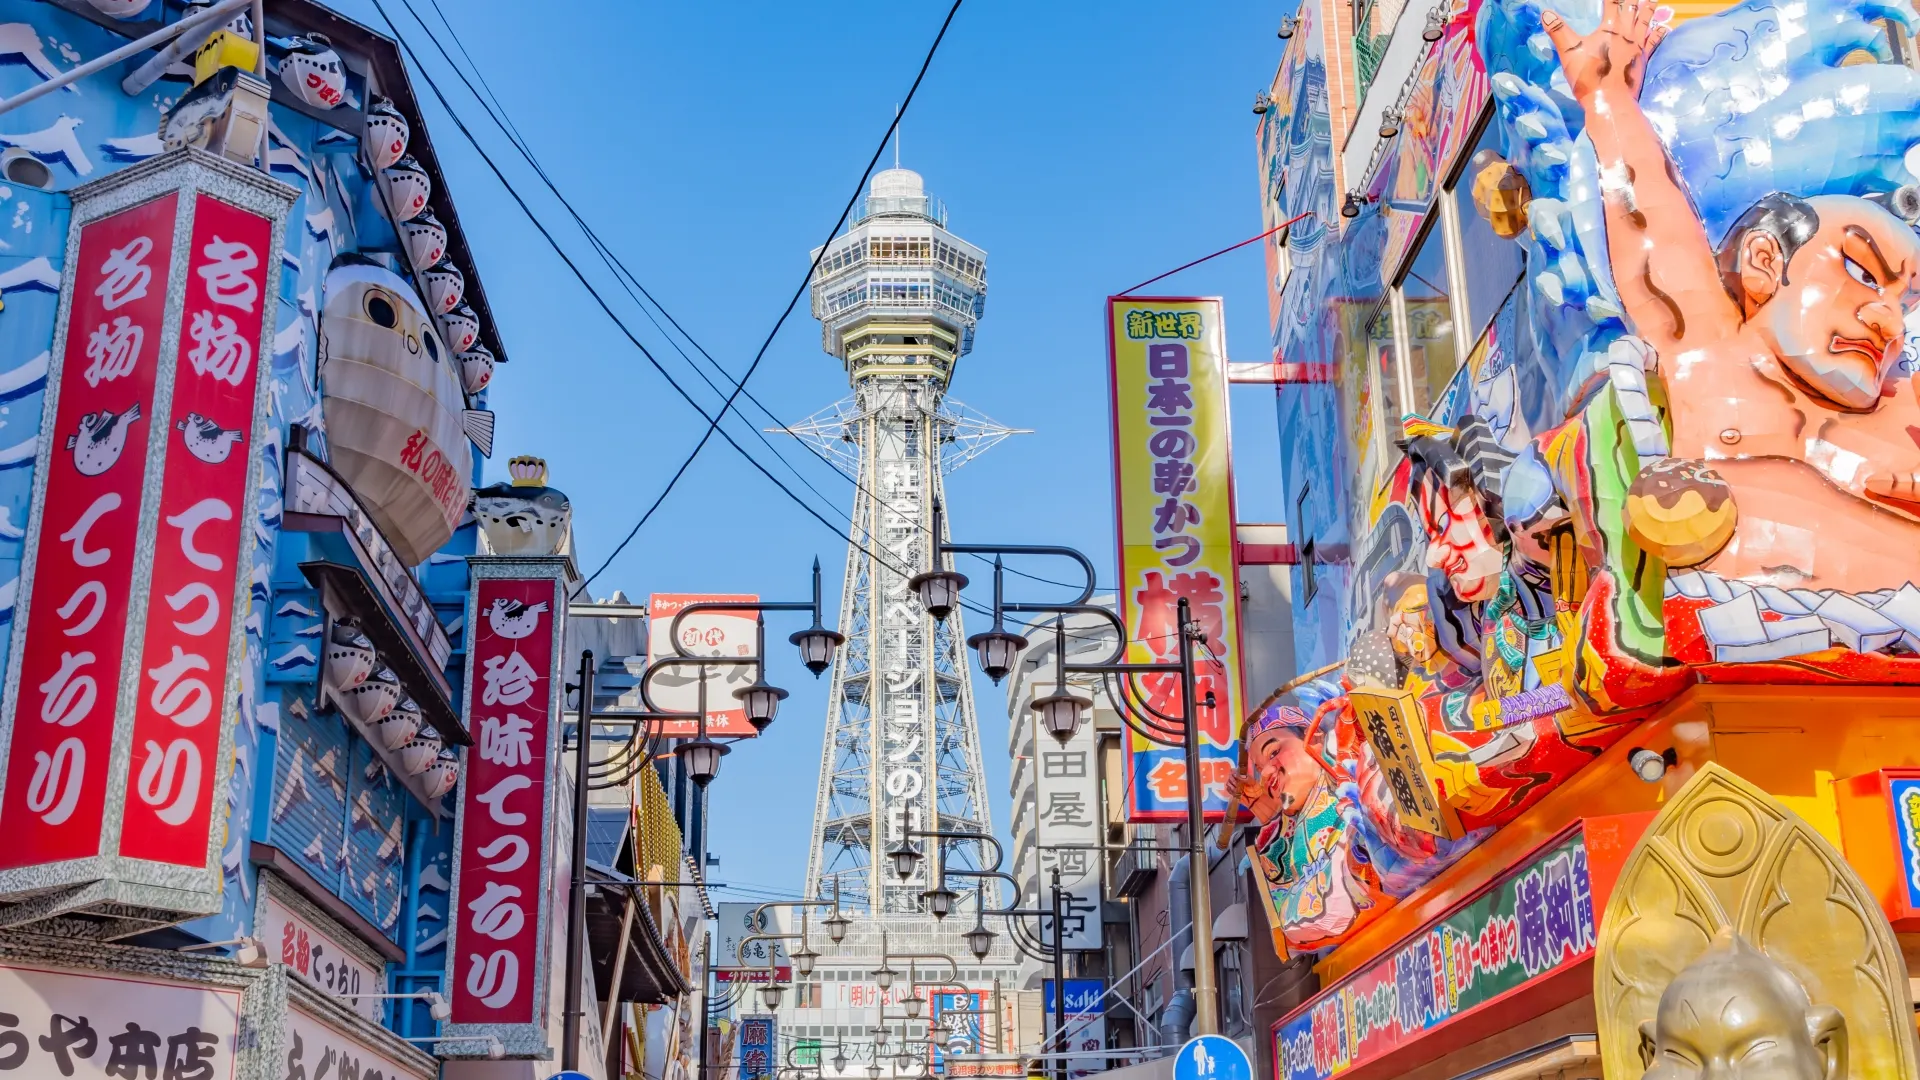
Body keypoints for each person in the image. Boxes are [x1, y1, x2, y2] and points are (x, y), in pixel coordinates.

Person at [1544, 0, 1920, 592]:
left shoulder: (1906, 405)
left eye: (1905, 302)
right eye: (1864, 273)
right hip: (1730, 650)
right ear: (1764, 261)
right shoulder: (1710, 353)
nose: (1886, 319)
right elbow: (1651, 222)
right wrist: (1606, 97)